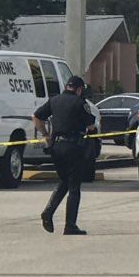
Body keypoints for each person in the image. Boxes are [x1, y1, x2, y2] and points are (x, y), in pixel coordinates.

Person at [32, 76, 97, 235]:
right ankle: (70, 225)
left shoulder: (54, 100)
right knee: (74, 186)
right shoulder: (80, 103)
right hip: (73, 147)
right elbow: (90, 126)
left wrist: (46, 134)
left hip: (56, 148)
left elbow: (36, 117)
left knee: (65, 181)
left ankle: (48, 211)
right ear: (79, 89)